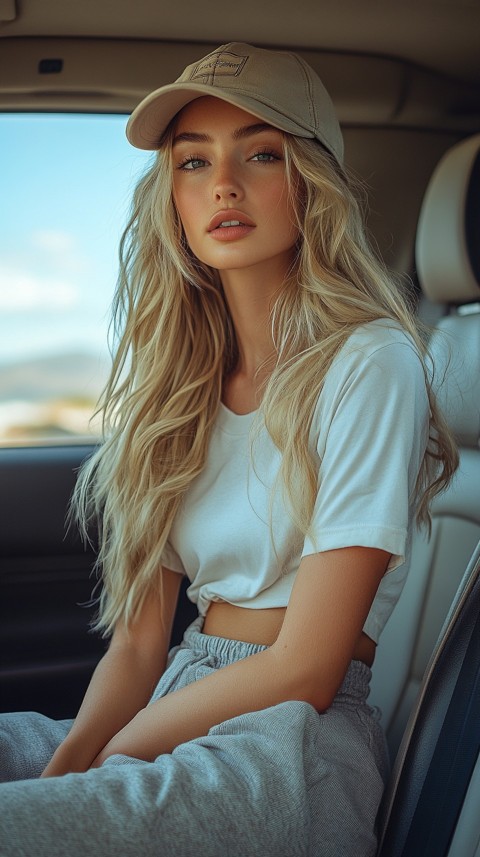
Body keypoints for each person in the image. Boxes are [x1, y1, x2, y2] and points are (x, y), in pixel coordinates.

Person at [0, 42, 457, 856]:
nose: (223, 184)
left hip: (293, 743)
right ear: (169, 194)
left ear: (308, 181)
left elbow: (306, 667)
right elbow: (141, 646)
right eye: (192, 160)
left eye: (260, 153)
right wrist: (70, 768)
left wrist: (115, 757)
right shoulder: (176, 387)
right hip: (182, 687)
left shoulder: (370, 360)